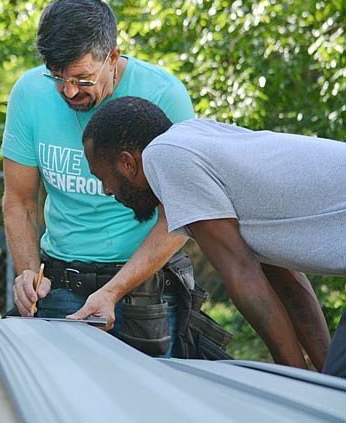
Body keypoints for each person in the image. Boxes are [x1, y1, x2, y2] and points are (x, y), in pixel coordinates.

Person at [2, 0, 203, 357]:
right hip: (62, 285)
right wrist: (28, 272)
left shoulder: (164, 95)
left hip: (149, 290)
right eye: (57, 77)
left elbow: (181, 212)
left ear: (112, 57)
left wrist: (114, 290)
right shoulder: (29, 94)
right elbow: (18, 201)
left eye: (82, 78)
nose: (68, 90)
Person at [80, 95, 341, 375]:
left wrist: (294, 381)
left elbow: (242, 274)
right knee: (337, 387)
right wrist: (318, 376)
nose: (107, 191)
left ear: (127, 163)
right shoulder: (194, 140)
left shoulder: (166, 156)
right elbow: (286, 279)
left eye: (102, 177)